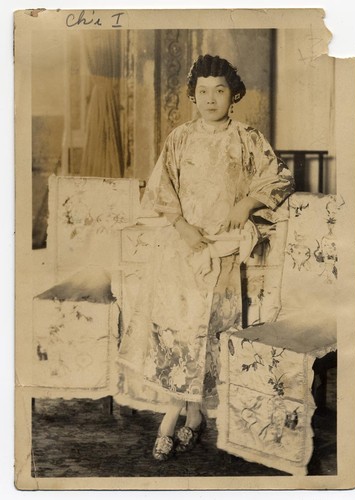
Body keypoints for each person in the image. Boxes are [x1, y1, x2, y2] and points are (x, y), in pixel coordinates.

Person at [116, 54, 294, 461]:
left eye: (219, 91)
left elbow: (280, 177)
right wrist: (182, 228)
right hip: (182, 248)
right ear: (193, 97)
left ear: (233, 96)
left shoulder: (248, 138)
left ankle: (172, 420)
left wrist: (248, 201)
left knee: (206, 331)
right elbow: (163, 190)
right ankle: (191, 417)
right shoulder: (179, 138)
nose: (210, 99)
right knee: (180, 331)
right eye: (202, 92)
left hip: (223, 249)